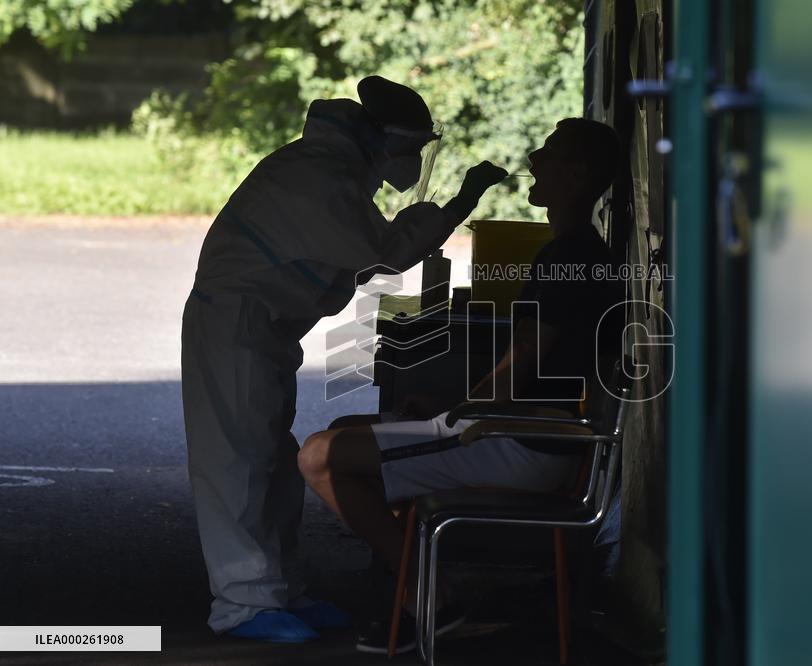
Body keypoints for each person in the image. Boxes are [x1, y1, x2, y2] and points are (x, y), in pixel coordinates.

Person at [181, 75, 507, 643]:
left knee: (272, 461)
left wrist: (457, 204)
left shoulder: (337, 173)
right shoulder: (319, 178)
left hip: (265, 327)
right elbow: (386, 253)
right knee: (236, 463)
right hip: (235, 323)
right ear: (379, 140)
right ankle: (242, 605)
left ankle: (279, 591)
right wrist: (460, 203)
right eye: (409, 149)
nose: (410, 162)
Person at [297, 117, 623, 654]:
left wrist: (451, 412)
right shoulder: (580, 253)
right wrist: (445, 409)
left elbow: (517, 369)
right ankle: (412, 590)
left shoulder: (569, 259)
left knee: (320, 457)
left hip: (521, 442)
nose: (535, 160)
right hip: (530, 434)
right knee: (345, 431)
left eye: (549, 152)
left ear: (577, 174)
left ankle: (430, 602)